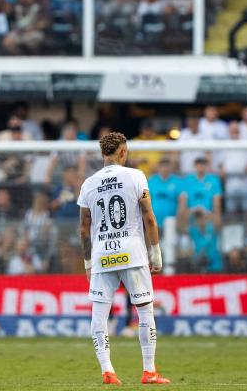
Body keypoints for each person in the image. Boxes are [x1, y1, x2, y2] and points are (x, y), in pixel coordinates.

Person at [77, 131, 170, 385]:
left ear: (102, 154)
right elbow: (149, 217)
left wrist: (87, 263)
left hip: (102, 255)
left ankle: (107, 370)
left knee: (99, 315)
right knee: (145, 311)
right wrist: (156, 254)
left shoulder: (88, 184)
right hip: (132, 254)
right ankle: (149, 371)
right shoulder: (136, 176)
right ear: (122, 152)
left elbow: (84, 229)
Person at [217, 120, 247, 215]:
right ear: (229, 131)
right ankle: (233, 230)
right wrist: (222, 170)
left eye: (236, 130)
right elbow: (220, 162)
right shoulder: (224, 144)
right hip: (230, 182)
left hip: (245, 181)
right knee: (231, 210)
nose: (234, 132)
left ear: (239, 130)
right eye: (232, 130)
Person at [177, 157, 222, 226]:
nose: (200, 166)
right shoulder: (188, 180)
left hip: (207, 212)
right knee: (182, 211)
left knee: (214, 215)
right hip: (191, 211)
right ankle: (183, 234)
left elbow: (217, 203)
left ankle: (212, 234)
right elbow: (182, 201)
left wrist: (216, 216)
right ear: (194, 166)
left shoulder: (213, 180)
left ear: (207, 166)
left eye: (203, 164)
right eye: (198, 164)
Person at [148, 158, 182, 231]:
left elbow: (181, 201)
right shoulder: (152, 180)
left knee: (169, 241)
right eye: (162, 166)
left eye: (167, 166)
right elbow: (147, 200)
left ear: (170, 168)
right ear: (158, 168)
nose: (164, 169)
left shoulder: (177, 181)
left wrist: (179, 219)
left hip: (171, 220)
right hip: (154, 219)